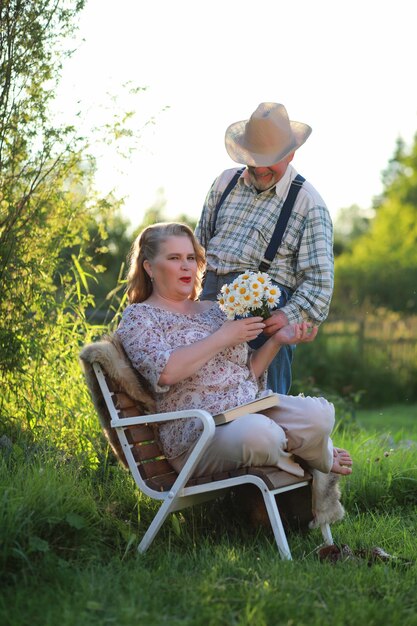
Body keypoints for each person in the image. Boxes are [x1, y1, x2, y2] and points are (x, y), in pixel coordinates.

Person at [116, 222, 352, 481]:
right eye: (174, 258)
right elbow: (166, 373)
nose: (186, 266)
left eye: (191, 258)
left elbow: (245, 373)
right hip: (199, 432)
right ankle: (312, 456)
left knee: (319, 415)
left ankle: (302, 451)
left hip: (249, 408)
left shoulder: (214, 309)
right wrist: (222, 337)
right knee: (262, 434)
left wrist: (276, 342)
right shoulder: (139, 317)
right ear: (149, 267)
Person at [195, 102, 334, 395]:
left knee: (263, 409)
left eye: (269, 159)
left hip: (262, 318)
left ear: (291, 153)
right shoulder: (224, 183)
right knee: (204, 396)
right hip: (207, 306)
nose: (260, 167)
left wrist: (285, 317)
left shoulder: (308, 203)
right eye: (254, 158)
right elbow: (198, 250)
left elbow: (320, 286)